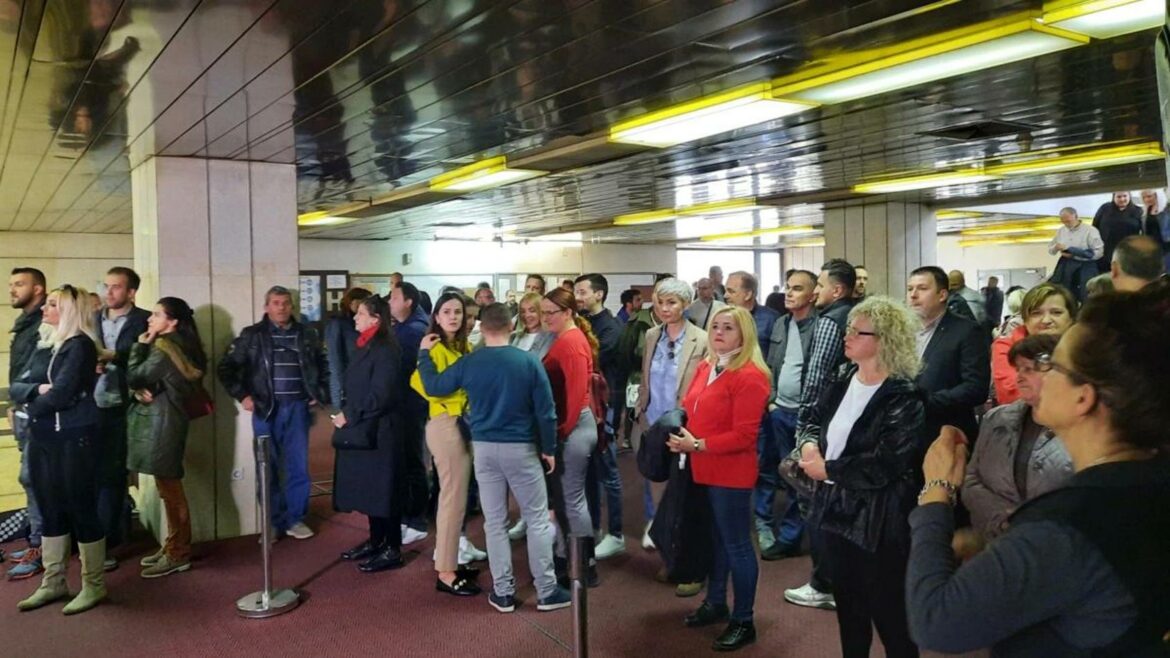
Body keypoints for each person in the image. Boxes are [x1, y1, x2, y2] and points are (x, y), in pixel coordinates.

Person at [907, 282, 1170, 656]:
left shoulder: (1072, 522)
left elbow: (935, 622)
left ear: (1084, 396)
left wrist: (935, 493)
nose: (1039, 376)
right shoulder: (1148, 480)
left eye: (1054, 366)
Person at [416, 303, 571, 614]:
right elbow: (546, 411)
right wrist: (549, 448)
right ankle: (546, 589)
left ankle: (503, 593)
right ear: (511, 327)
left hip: (484, 448)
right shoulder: (528, 361)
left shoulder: (470, 362)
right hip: (521, 448)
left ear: (482, 328)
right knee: (538, 520)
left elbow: (434, 386)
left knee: (495, 523)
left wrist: (423, 355)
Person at [798, 296, 926, 658]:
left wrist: (829, 469)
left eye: (858, 331)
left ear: (884, 340)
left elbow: (887, 463)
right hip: (835, 511)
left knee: (891, 618)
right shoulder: (842, 377)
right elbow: (811, 417)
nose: (847, 335)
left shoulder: (904, 397)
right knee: (849, 612)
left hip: (878, 522)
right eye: (849, 328)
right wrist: (809, 446)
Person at [673, 306, 771, 652]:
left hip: (730, 473)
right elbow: (694, 408)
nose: (718, 333)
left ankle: (744, 620)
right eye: (715, 326)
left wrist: (697, 443)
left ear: (744, 335)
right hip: (700, 466)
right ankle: (716, 602)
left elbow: (745, 436)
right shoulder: (707, 365)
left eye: (728, 328)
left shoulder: (750, 375)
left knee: (737, 547)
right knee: (714, 542)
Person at [17, 285, 107, 614]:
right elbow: (16, 383)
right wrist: (32, 392)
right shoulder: (45, 342)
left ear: (69, 310)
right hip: (43, 437)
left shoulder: (80, 346)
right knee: (50, 506)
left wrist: (30, 405)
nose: (44, 309)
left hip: (74, 437)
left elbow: (64, 393)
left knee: (81, 507)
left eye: (52, 304)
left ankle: (93, 584)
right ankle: (54, 581)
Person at [218, 285, 329, 540]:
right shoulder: (251, 336)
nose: (281, 307)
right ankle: (272, 522)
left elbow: (323, 365)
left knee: (298, 467)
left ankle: (295, 519)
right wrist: (242, 396)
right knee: (267, 467)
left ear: (292, 306)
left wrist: (319, 392)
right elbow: (226, 368)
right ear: (267, 306)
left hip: (298, 409)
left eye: (286, 303)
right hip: (266, 410)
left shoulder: (307, 333)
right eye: (276, 303)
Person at [785, 258, 856, 611]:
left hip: (824, 424)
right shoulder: (858, 314)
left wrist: (804, 428)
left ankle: (822, 583)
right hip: (848, 424)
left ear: (836, 290)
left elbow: (815, 379)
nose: (816, 292)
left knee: (815, 501)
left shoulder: (830, 322)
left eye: (821, 285)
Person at [634, 278, 708, 595]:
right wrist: (640, 408)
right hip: (654, 420)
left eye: (673, 303)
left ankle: (680, 561)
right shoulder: (652, 335)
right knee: (656, 482)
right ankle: (667, 548)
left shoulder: (702, 339)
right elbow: (647, 376)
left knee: (682, 498)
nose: (665, 309)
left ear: (686, 305)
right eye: (661, 303)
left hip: (683, 423)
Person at [961, 333, 1072, 544]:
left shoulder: (1079, 429)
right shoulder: (996, 418)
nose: (1019, 377)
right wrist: (1004, 519)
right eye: (1018, 369)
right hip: (993, 542)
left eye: (1028, 369)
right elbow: (971, 479)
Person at [126, 297, 208, 578]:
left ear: (172, 321)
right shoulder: (185, 346)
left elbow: (135, 376)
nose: (150, 318)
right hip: (171, 420)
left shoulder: (163, 348)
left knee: (171, 491)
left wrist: (141, 344)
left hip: (162, 424)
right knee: (168, 489)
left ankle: (178, 553)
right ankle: (173, 544)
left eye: (157, 314)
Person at [409, 292, 484, 594]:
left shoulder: (460, 347)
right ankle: (445, 572)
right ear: (436, 317)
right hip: (445, 425)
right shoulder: (433, 347)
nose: (454, 317)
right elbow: (428, 387)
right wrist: (424, 354)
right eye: (447, 312)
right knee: (452, 499)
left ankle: (449, 559)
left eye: (459, 312)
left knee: (457, 499)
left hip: (460, 424)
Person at [331, 295, 410, 574]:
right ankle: (376, 540)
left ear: (375, 319)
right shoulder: (366, 344)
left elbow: (382, 393)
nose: (355, 318)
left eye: (361, 314)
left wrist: (350, 414)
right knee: (370, 490)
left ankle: (391, 548)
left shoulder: (386, 348)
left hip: (382, 430)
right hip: (367, 427)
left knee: (384, 491)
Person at [92, 266, 151, 569]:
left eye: (116, 287)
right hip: (92, 403)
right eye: (107, 285)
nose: (109, 292)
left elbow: (147, 355)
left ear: (131, 292)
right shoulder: (93, 318)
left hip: (124, 404)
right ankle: (97, 538)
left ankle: (112, 540)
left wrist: (114, 356)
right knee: (95, 473)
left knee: (114, 474)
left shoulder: (144, 319)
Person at [541, 287, 601, 584]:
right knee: (567, 498)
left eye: (550, 313)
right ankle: (570, 557)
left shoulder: (572, 343)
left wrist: (560, 432)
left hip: (575, 427)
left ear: (567, 313)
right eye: (543, 312)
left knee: (572, 499)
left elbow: (577, 396)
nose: (544, 318)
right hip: (571, 425)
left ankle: (583, 565)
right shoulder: (566, 339)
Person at [757, 270, 817, 561]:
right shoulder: (781, 323)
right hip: (779, 410)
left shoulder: (821, 326)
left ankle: (791, 537)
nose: (789, 293)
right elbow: (771, 365)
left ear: (813, 294)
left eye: (797, 288)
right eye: (787, 288)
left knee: (799, 479)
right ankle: (767, 524)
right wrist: (771, 403)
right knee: (772, 469)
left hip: (804, 415)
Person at [908, 266, 990, 447]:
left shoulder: (966, 331)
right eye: (910, 289)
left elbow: (976, 388)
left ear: (942, 295)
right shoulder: (903, 331)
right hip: (907, 436)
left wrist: (925, 402)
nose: (913, 295)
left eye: (922, 289)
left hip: (946, 434)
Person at [573, 274, 625, 560]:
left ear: (599, 295)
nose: (578, 297)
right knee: (589, 473)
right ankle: (591, 526)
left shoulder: (611, 328)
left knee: (609, 473)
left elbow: (588, 360)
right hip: (585, 406)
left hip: (605, 407)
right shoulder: (584, 322)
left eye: (582, 292)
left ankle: (615, 533)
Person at [504, 292, 557, 540]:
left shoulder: (551, 338)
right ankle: (525, 516)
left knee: (539, 470)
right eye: (523, 311)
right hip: (515, 412)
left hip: (537, 411)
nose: (527, 315)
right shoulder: (514, 337)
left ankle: (540, 518)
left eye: (532, 310)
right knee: (518, 471)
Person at [6, 267, 47, 579]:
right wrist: (13, 404)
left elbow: (37, 373)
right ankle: (37, 538)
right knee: (29, 479)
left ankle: (41, 545)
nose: (12, 290)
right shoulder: (24, 325)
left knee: (34, 478)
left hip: (37, 411)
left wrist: (24, 398)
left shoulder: (42, 325)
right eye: (11, 285)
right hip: (23, 409)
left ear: (38, 289)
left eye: (19, 284)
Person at [388, 281, 432, 546]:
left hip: (411, 404)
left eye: (394, 297)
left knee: (413, 461)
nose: (390, 302)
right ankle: (410, 514)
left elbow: (401, 371)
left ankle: (416, 519)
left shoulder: (413, 331)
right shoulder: (404, 327)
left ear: (409, 302)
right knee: (409, 460)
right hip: (406, 403)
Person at [991, 283, 1076, 406]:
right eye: (1036, 313)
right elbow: (1010, 395)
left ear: (1071, 318)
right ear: (1025, 319)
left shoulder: (1083, 345)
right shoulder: (1006, 346)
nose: (1046, 320)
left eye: (1056, 312)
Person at [324, 287, 372, 407]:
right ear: (352, 302)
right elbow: (335, 363)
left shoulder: (365, 324)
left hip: (365, 384)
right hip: (347, 386)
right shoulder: (338, 324)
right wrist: (338, 398)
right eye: (363, 301)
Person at [1048, 207, 1104, 302]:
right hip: (1066, 267)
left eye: (1068, 221)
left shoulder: (1090, 231)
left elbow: (1099, 253)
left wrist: (1075, 254)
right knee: (1066, 295)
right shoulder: (1061, 231)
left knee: (1086, 295)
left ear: (1076, 217)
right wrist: (1056, 247)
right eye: (1063, 222)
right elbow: (1051, 250)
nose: (1067, 224)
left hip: (1086, 267)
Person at [724, 271, 779, 355]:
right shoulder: (722, 318)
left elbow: (776, 357)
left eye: (731, 291)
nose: (725, 296)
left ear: (748, 295)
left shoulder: (771, 319)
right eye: (725, 291)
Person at [1092, 191, 1145, 273]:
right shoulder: (1105, 208)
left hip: (1128, 251)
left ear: (1129, 196)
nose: (1122, 199)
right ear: (1114, 197)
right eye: (1119, 197)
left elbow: (1143, 232)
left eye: (1125, 196)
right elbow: (1094, 227)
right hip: (1105, 251)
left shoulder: (1138, 211)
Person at [1141, 188, 1170, 271]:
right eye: (1144, 197)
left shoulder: (1167, 209)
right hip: (1153, 249)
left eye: (1149, 196)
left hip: (1167, 247)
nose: (1146, 199)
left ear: (1157, 196)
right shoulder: (1145, 212)